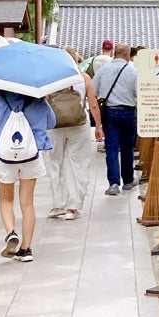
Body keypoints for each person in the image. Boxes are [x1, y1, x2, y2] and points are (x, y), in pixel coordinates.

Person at [0, 88, 55, 264]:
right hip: (31, 154)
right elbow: (51, 122)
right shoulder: (37, 95)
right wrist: (43, 100)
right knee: (27, 203)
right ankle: (26, 249)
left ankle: (11, 232)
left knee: (6, 201)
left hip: (5, 154)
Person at [47, 46, 103, 220]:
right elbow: (93, 104)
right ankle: (73, 206)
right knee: (77, 163)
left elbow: (44, 102)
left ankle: (57, 204)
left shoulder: (50, 78)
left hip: (54, 123)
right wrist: (98, 125)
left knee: (54, 163)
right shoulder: (84, 78)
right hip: (79, 123)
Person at [93, 42, 139, 194]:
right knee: (127, 147)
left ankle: (113, 183)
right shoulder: (133, 71)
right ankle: (128, 180)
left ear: (114, 53)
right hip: (128, 112)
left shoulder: (103, 71)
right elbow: (138, 93)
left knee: (111, 148)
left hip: (110, 112)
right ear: (127, 54)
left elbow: (94, 92)